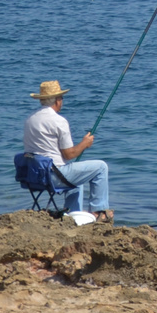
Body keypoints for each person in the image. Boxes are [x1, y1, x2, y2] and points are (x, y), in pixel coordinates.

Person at [22, 80, 112, 222]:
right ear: (57, 100)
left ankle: (72, 214)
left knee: (78, 174)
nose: (62, 101)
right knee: (101, 167)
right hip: (53, 177)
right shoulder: (58, 121)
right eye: (61, 98)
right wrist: (84, 143)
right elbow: (69, 154)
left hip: (34, 177)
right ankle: (98, 211)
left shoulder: (30, 120)